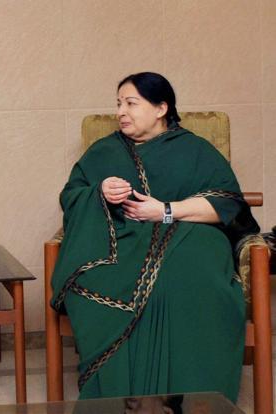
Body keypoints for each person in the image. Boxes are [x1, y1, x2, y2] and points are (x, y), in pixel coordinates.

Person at [50, 72, 258, 402]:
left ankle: (193, 401)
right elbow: (71, 196)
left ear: (161, 108)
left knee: (188, 282)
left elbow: (228, 205)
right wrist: (100, 192)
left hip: (193, 238)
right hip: (122, 242)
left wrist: (164, 211)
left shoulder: (195, 150)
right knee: (111, 279)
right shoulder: (103, 151)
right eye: (118, 104)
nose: (121, 111)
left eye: (131, 103)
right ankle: (123, 401)